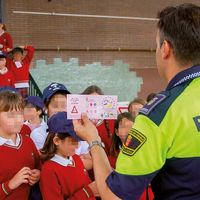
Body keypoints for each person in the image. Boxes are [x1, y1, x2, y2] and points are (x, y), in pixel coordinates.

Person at [73, 3, 200, 200]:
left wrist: (93, 140)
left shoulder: (160, 114)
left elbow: (114, 195)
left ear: (165, 49)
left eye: (156, 45)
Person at [40, 111, 98, 200]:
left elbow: (89, 187)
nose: (77, 146)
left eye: (78, 141)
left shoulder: (76, 158)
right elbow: (88, 191)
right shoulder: (49, 169)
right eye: (73, 142)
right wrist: (88, 191)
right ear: (56, 141)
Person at [0, 90, 40, 199]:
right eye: (11, 115)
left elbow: (39, 166)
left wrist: (38, 174)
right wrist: (11, 184)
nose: (18, 119)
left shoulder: (27, 141)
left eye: (20, 113)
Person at [43, 82, 92, 170]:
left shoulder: (78, 129)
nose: (60, 110)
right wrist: (78, 160)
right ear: (46, 108)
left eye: (64, 105)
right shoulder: (39, 132)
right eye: (55, 106)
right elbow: (45, 160)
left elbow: (90, 162)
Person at [82, 85, 115, 156]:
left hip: (107, 165)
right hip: (84, 165)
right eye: (90, 102)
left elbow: (114, 151)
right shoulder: (78, 124)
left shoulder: (111, 122)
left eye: (97, 102)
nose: (93, 105)